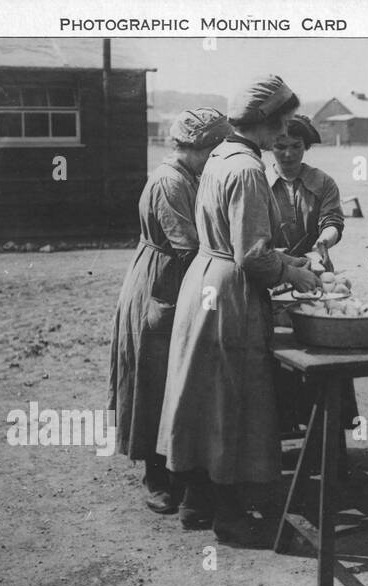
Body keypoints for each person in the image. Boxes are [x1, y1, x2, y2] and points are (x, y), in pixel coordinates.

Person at [157, 75, 320, 548]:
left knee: (202, 394)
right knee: (233, 397)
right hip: (230, 291)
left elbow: (232, 238)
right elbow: (251, 255)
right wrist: (294, 275)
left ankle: (195, 501)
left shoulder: (220, 157)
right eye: (283, 123)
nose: (284, 133)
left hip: (205, 279)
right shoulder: (247, 169)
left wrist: (286, 259)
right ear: (269, 122)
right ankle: (231, 516)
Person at [109, 107, 233, 513]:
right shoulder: (169, 181)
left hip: (176, 278)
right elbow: (189, 246)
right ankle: (156, 476)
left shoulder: (189, 175)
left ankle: (181, 469)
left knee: (176, 377)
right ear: (201, 147)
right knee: (155, 378)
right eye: (215, 149)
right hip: (161, 282)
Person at [268, 115, 357, 468]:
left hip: (317, 275)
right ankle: (276, 432)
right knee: (278, 353)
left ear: (306, 148)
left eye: (295, 147)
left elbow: (334, 222)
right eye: (280, 146)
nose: (288, 154)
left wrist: (323, 243)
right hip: (274, 274)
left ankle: (327, 437)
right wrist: (283, 261)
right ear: (270, 146)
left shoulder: (322, 182)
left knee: (322, 351)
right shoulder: (257, 181)